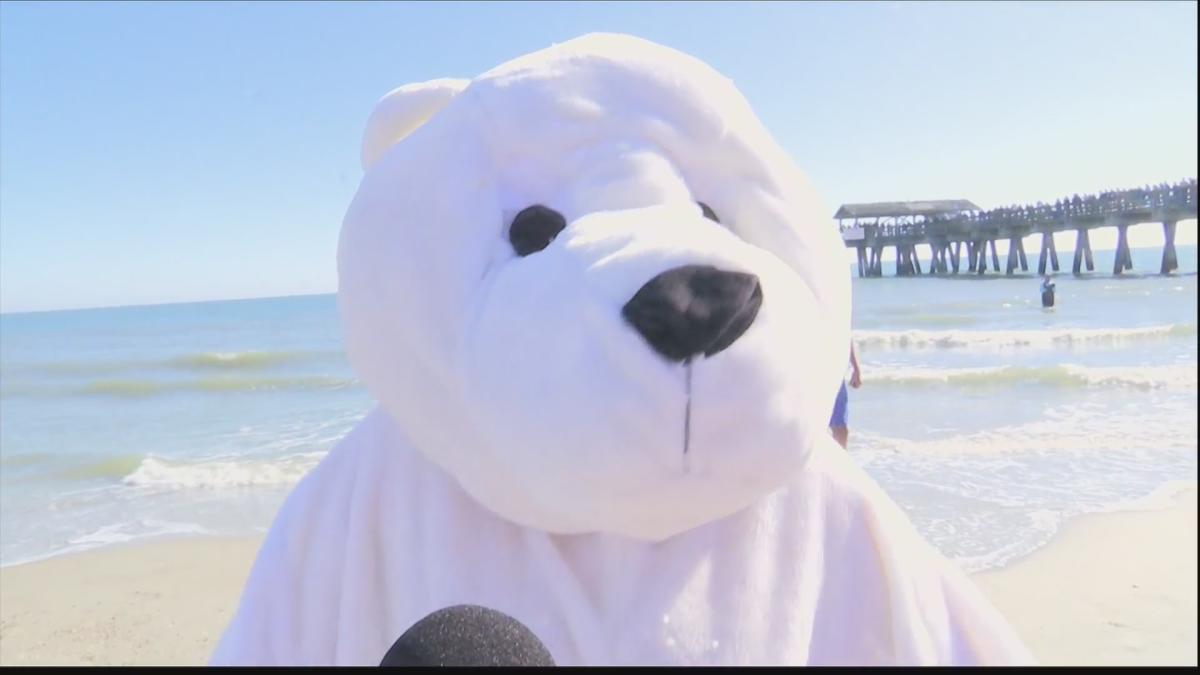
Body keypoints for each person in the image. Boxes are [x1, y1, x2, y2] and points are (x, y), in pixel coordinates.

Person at [829, 343, 862, 449]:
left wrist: (856, 369)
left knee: (840, 428)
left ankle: (838, 462)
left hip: (833, 371)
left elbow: (847, 337)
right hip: (811, 368)